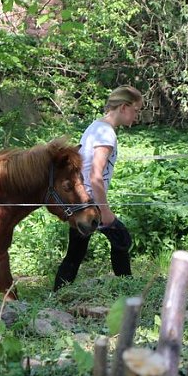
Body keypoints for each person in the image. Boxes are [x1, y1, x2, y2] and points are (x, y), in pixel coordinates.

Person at [53, 86, 143, 290]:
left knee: (75, 254)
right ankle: (127, 292)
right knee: (121, 240)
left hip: (80, 200)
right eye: (136, 110)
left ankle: (56, 297)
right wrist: (105, 211)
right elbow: (95, 176)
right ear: (123, 107)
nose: (137, 116)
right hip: (89, 203)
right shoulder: (106, 134)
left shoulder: (96, 126)